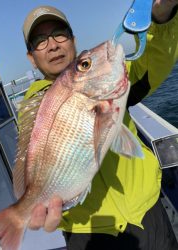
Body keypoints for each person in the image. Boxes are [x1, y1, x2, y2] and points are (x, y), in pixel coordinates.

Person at [21, 1, 178, 250]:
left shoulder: (111, 77)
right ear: (32, 58)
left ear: (73, 40)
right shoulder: (34, 106)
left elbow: (154, 62)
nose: (52, 45)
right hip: (87, 232)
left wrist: (162, 19)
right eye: (40, 40)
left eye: (59, 34)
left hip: (147, 211)